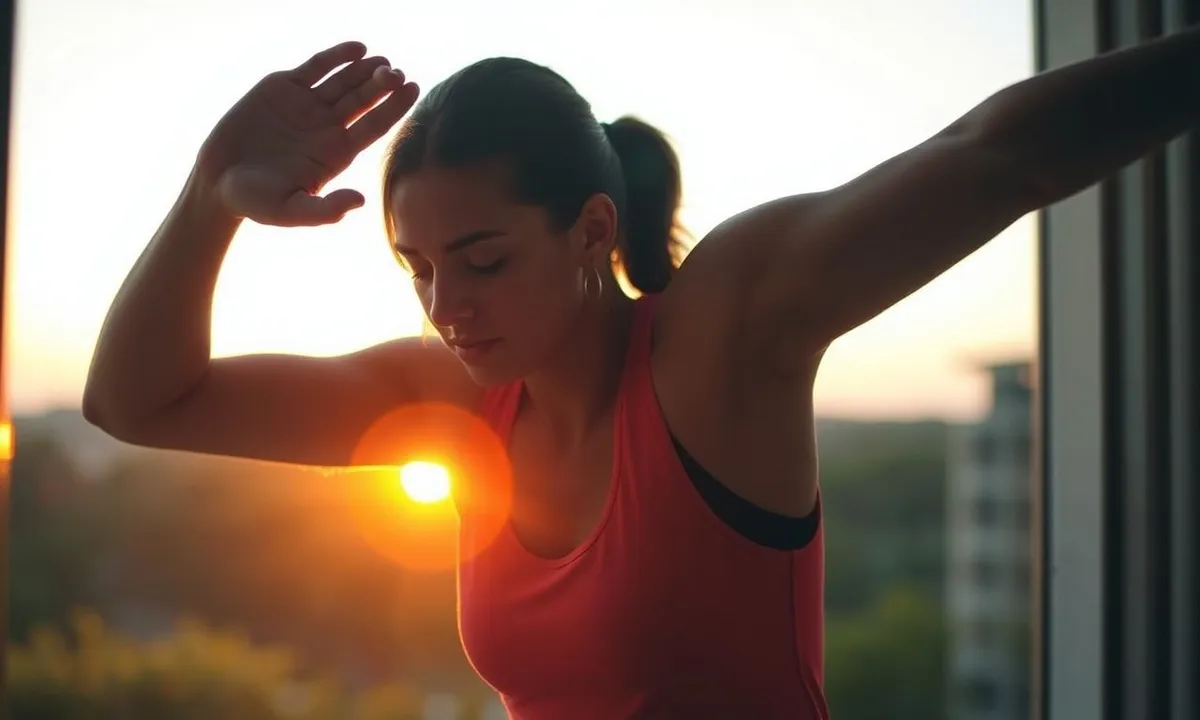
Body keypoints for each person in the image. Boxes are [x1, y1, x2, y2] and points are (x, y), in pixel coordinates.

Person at [84, 27, 1200, 718]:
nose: (446, 306)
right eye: (416, 268)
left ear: (590, 230)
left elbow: (992, 157)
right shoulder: (449, 406)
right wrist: (207, 198)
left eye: (482, 260)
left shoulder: (716, 345)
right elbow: (138, 402)